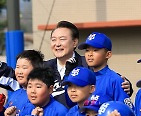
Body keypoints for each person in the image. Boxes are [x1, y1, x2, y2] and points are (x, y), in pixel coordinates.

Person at [0, 21, 133, 108]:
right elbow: (17, 77)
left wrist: (127, 84)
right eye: (53, 40)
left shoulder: (87, 64)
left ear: (75, 42)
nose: (57, 44)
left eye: (62, 39)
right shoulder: (44, 68)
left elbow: (108, 78)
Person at [78, 32, 133, 109]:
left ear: (108, 54)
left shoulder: (115, 80)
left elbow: (126, 111)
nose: (90, 54)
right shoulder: (83, 78)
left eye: (95, 50)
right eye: (87, 50)